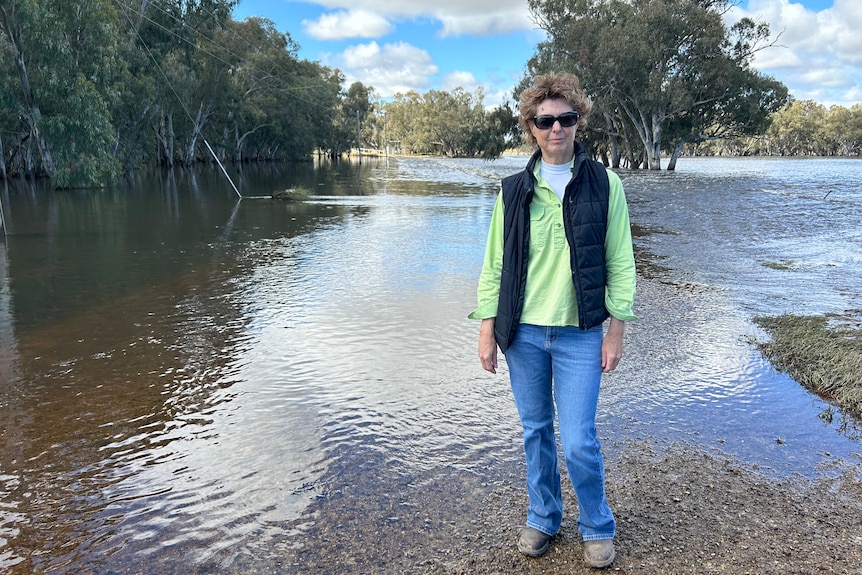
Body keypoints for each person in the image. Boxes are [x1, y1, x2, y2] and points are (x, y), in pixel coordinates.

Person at [468, 72, 636, 569]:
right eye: (546, 120)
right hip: (522, 334)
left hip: (580, 334)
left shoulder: (606, 185)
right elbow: (495, 263)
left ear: (578, 122)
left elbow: (621, 261)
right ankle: (543, 516)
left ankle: (597, 524)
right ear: (532, 127)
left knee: (581, 438)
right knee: (536, 430)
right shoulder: (513, 190)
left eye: (566, 118)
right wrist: (486, 328)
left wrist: (616, 328)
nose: (556, 127)